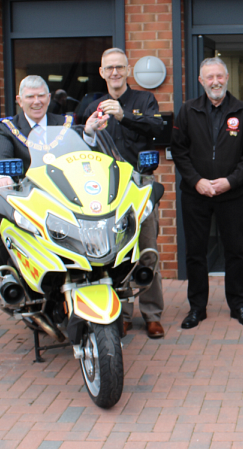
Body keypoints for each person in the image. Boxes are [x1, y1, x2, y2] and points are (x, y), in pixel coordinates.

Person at [170, 57, 243, 329]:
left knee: (235, 250)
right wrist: (197, 181)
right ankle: (197, 308)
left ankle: (238, 305)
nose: (215, 82)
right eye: (209, 77)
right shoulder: (187, 111)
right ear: (201, 81)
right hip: (195, 194)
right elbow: (179, 151)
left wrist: (230, 181)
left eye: (219, 76)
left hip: (231, 194)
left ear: (227, 77)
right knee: (195, 252)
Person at [82, 48, 166, 339]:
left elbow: (157, 128)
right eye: (109, 68)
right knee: (117, 256)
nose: (115, 72)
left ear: (128, 70)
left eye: (120, 67)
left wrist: (125, 116)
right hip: (104, 193)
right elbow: (79, 145)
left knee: (147, 251)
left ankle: (153, 315)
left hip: (139, 188)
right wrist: (89, 132)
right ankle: (123, 314)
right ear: (102, 72)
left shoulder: (144, 100)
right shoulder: (90, 104)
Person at [0, 75, 69, 188]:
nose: (36, 101)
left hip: (64, 192)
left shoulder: (65, 124)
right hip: (27, 195)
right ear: (20, 101)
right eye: (30, 97)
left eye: (41, 96)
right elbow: (2, 155)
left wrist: (89, 133)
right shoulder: (7, 128)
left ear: (48, 98)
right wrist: (2, 176)